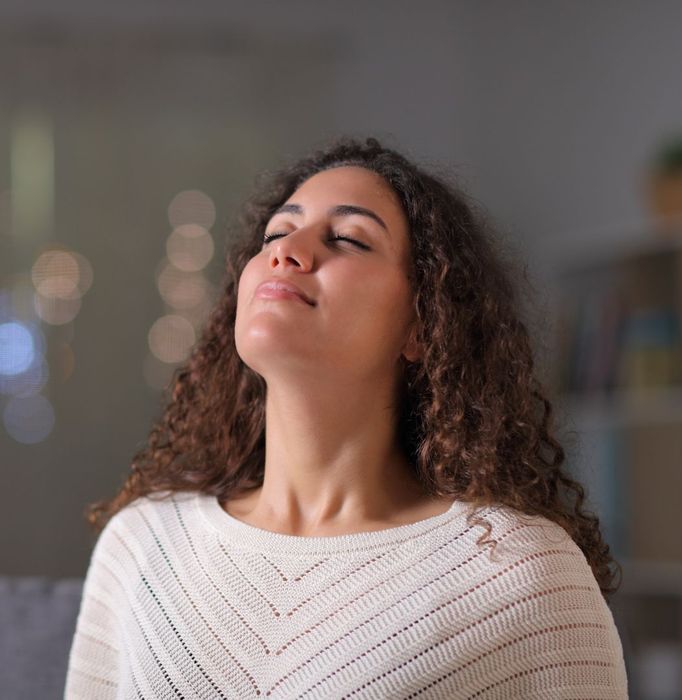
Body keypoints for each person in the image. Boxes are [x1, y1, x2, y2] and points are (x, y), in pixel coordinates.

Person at [64, 135, 629, 698]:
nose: (288, 251)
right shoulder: (143, 545)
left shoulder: (519, 571)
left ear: (422, 324)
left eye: (348, 239)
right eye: (277, 233)